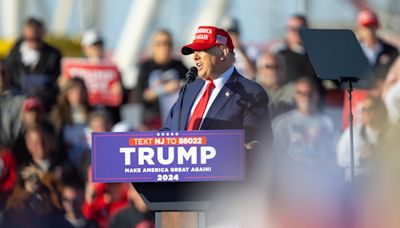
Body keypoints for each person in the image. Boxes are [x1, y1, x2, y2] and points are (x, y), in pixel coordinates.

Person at [162, 25, 271, 146]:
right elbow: (168, 132)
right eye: (194, 51)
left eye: (201, 50)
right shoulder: (189, 89)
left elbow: (258, 148)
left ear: (223, 52)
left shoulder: (251, 93)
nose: (194, 56)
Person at [272, 77, 336, 167]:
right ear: (294, 95)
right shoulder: (282, 122)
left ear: (316, 95)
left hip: (321, 175)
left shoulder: (328, 122)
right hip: (292, 175)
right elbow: (276, 153)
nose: (306, 97)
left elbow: (334, 153)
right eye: (301, 93)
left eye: (310, 93)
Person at [5, 17, 62, 110]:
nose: (34, 42)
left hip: (45, 105)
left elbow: (56, 80)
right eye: (30, 38)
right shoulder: (12, 56)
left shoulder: (53, 55)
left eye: (37, 38)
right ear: (24, 35)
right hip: (18, 105)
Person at [136, 29, 188, 129]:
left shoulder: (180, 66)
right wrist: (164, 89)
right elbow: (140, 96)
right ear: (152, 47)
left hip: (176, 122)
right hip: (152, 122)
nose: (164, 47)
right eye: (159, 44)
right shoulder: (145, 67)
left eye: (167, 43)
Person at [337, 95, 388, 182]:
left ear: (380, 111)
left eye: (370, 108)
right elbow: (340, 159)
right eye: (364, 109)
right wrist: (361, 158)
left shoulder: (389, 135)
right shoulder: (351, 132)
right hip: (354, 184)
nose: (366, 112)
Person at [357, 9, 398, 88]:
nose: (370, 31)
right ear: (360, 28)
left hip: (383, 94)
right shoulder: (352, 52)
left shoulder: (392, 51)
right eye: (366, 26)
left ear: (377, 27)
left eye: (372, 26)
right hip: (357, 93)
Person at [256, 52, 295, 119]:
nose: (274, 70)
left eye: (277, 66)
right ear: (259, 69)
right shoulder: (250, 91)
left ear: (284, 69)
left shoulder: (296, 89)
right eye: (269, 67)